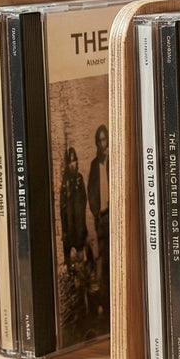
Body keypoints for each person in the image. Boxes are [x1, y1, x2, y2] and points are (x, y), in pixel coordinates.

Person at [59, 145, 89, 313]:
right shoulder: (65, 184)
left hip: (79, 229)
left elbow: (83, 203)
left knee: (81, 266)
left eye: (74, 161)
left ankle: (85, 305)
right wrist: (64, 231)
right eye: (70, 162)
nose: (73, 164)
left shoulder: (79, 180)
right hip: (68, 231)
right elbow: (62, 209)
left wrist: (82, 227)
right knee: (70, 268)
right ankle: (74, 305)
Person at [87, 124, 110, 314]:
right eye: (100, 141)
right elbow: (91, 191)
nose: (103, 144)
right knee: (101, 257)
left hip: (113, 215)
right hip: (101, 218)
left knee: (114, 257)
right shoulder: (95, 165)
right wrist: (96, 212)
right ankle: (104, 301)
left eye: (105, 140)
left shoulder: (112, 161)